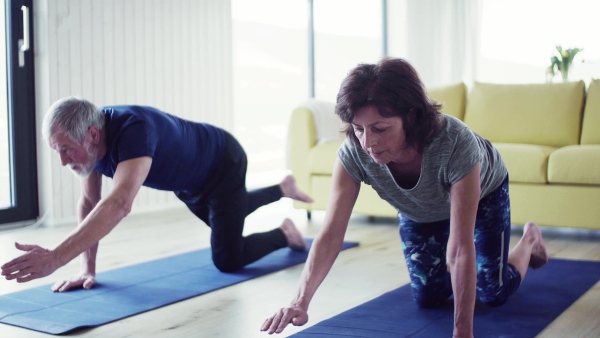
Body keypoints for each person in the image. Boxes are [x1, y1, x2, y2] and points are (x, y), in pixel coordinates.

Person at [261, 58, 549, 338]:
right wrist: (300, 301)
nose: (368, 142)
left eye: (380, 129)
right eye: (359, 129)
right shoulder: (354, 152)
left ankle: (528, 243)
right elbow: (330, 235)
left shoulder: (456, 143)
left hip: (485, 192)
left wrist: (462, 331)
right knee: (428, 297)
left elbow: (460, 247)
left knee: (492, 291)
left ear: (411, 116)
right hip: (419, 210)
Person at [1, 98, 313, 292]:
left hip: (223, 163)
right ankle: (282, 189)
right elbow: (89, 203)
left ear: (92, 135)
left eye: (67, 150)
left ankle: (284, 233)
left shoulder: (133, 130)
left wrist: (56, 257)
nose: (64, 161)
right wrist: (87, 269)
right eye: (58, 152)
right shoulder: (91, 144)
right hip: (189, 184)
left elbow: (119, 203)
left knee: (227, 258)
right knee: (226, 216)